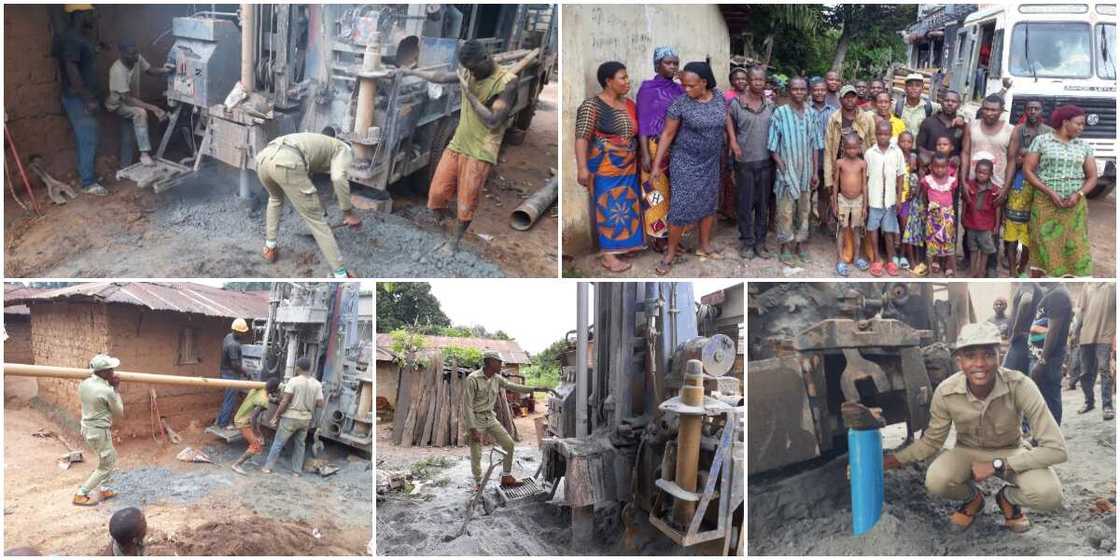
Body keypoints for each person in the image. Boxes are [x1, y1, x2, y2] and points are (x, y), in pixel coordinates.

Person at [847, 322, 1067, 533]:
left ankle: (1007, 499)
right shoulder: (946, 392)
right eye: (970, 356)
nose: (980, 364)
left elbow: (1056, 450)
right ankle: (973, 499)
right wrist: (891, 461)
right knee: (937, 481)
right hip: (967, 452)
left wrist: (997, 465)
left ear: (1000, 356)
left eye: (989, 354)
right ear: (959, 360)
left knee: (1049, 494)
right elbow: (932, 442)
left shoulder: (1020, 385)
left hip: (1010, 450)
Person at [402, 40, 520, 252]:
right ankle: (445, 225)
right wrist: (411, 72)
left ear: (486, 58)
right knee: (437, 194)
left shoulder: (507, 82)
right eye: (468, 70)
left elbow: (493, 120)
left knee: (466, 202)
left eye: (474, 68)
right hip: (458, 144)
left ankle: (454, 242)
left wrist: (469, 94)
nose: (471, 74)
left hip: (481, 150)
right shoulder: (469, 73)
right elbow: (441, 77)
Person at [650, 61, 735, 275]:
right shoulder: (680, 104)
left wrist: (733, 141)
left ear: (704, 83)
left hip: (711, 161)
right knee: (680, 207)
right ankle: (670, 253)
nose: (686, 89)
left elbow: (726, 119)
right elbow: (667, 135)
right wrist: (656, 165)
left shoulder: (718, 98)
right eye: (684, 85)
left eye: (690, 85)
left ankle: (704, 246)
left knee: (708, 203)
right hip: (685, 161)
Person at [255, 132, 362, 278]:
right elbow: (338, 177)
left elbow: (306, 179)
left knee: (275, 199)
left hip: (263, 159)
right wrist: (348, 213)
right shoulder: (344, 150)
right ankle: (341, 275)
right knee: (317, 221)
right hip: (286, 162)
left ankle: (270, 248)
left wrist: (319, 205)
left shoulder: (322, 144)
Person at [575, 61, 645, 273]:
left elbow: (636, 134)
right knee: (608, 207)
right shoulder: (592, 105)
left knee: (628, 205)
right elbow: (581, 138)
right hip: (605, 167)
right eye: (622, 77)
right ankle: (608, 256)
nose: (627, 81)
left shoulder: (630, 105)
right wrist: (582, 168)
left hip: (629, 166)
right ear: (608, 81)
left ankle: (625, 246)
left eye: (627, 77)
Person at [1022, 105, 1097, 277]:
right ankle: (1043, 283)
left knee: (1076, 246)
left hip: (1074, 207)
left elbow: (1092, 177)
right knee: (1046, 245)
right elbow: (1028, 170)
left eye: (1083, 124)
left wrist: (1079, 194)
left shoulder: (1084, 146)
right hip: (1045, 205)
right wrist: (1050, 192)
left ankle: (1073, 281)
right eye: (1078, 124)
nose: (1081, 128)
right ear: (1065, 122)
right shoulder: (1042, 141)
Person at [464, 351, 556, 490]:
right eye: (499, 362)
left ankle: (506, 476)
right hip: (476, 420)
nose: (502, 364)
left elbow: (514, 387)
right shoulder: (473, 379)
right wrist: (472, 429)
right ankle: (478, 483)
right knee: (476, 452)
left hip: (490, 417)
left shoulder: (496, 378)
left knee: (509, 444)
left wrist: (536, 388)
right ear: (490, 362)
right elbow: (468, 406)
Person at [767, 77, 820, 265]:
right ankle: (784, 246)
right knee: (785, 211)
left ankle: (800, 244)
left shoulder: (812, 114)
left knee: (803, 211)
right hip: (786, 173)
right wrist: (783, 169)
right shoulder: (779, 114)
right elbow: (772, 147)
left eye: (802, 89)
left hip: (806, 173)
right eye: (795, 89)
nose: (799, 92)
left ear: (807, 91)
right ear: (789, 91)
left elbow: (815, 145)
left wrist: (814, 172)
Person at [54, 5, 106, 196]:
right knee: (88, 139)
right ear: (81, 14)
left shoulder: (78, 38)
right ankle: (87, 182)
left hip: (81, 98)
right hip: (78, 99)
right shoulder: (72, 39)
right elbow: (72, 70)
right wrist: (87, 99)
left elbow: (82, 60)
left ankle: (88, 175)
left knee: (88, 138)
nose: (94, 17)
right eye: (92, 13)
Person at [636, 47, 684, 252]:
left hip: (678, 147)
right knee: (655, 193)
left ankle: (673, 237)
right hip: (655, 148)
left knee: (675, 194)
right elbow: (643, 121)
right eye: (668, 63)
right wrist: (645, 152)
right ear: (657, 65)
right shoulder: (648, 89)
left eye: (675, 63)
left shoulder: (680, 90)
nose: (673, 66)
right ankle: (658, 238)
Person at [1005, 284, 1073, 425]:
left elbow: (1053, 330)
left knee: (1048, 397)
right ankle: (1039, 437)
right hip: (1039, 356)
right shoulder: (1053, 293)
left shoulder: (1058, 295)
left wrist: (1042, 361)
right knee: (1041, 396)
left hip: (1047, 358)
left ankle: (1051, 439)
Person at [999, 101, 1052, 278]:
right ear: (1025, 111)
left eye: (1036, 109)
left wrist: (1028, 157)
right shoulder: (1018, 130)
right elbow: (1012, 159)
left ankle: (1023, 266)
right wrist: (1006, 187)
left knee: (1033, 228)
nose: (1033, 112)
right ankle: (1013, 268)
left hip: (1039, 186)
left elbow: (1048, 160)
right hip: (1019, 184)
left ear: (1041, 111)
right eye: (1030, 108)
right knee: (1012, 226)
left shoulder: (1048, 132)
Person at [727, 66, 775, 260]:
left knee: (763, 205)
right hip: (744, 162)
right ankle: (747, 242)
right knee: (745, 205)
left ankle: (761, 242)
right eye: (754, 79)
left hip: (765, 162)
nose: (757, 83)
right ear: (748, 80)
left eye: (761, 80)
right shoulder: (737, 104)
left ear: (765, 82)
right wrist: (732, 140)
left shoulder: (770, 105)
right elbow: (728, 120)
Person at [963, 94, 1013, 276]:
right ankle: (971, 265)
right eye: (986, 108)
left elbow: (1013, 159)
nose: (990, 113)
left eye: (994, 109)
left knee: (993, 229)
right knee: (970, 226)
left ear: (1001, 111)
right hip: (973, 185)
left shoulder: (1010, 130)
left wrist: (1006, 188)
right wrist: (963, 181)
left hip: (997, 187)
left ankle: (990, 266)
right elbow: (966, 152)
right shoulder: (972, 126)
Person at [106, 40, 172, 168]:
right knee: (140, 113)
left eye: (136, 52)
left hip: (133, 100)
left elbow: (150, 70)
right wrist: (153, 108)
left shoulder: (136, 58)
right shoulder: (117, 71)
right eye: (132, 54)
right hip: (118, 104)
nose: (136, 56)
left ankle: (125, 166)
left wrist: (165, 70)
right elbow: (127, 100)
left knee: (128, 136)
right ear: (122, 54)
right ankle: (144, 154)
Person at [74, 354, 125, 506]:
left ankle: (105, 489)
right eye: (110, 370)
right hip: (99, 432)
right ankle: (81, 493)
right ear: (102, 373)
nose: (113, 372)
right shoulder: (106, 390)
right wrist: (115, 388)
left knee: (111, 457)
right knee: (106, 465)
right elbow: (119, 413)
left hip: (88, 429)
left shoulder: (84, 384)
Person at [263, 357, 324, 475]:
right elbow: (321, 403)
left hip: (290, 417)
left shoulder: (293, 381)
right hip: (305, 419)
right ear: (309, 368)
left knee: (278, 442)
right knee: (300, 445)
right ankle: (296, 471)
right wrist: (309, 401)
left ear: (298, 368)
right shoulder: (317, 384)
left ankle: (267, 467)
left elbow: (285, 401)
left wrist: (276, 416)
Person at [823, 85, 876, 215]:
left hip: (862, 167)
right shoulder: (834, 119)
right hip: (841, 168)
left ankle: (859, 229)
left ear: (857, 99)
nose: (850, 100)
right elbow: (828, 149)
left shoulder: (866, 118)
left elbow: (873, 142)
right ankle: (842, 229)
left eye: (852, 97)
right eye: (846, 97)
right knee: (841, 202)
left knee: (862, 200)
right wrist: (828, 178)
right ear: (840, 100)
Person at [863, 120, 905, 277]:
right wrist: (865, 202)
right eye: (880, 134)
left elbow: (900, 176)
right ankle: (876, 259)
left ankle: (891, 261)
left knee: (889, 231)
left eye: (886, 134)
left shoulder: (897, 152)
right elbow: (865, 179)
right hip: (874, 200)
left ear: (891, 134)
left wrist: (899, 198)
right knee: (873, 229)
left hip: (890, 201)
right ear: (875, 135)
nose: (883, 137)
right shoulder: (869, 153)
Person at [1073, 283, 1115, 419]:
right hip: (1086, 334)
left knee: (1104, 370)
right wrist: (1075, 332)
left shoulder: (1113, 285)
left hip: (1105, 335)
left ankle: (1107, 406)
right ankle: (1089, 402)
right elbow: (1081, 311)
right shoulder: (1086, 286)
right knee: (1085, 372)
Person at [230, 376, 282, 475]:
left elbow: (266, 398)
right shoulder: (263, 400)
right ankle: (237, 465)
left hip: (242, 418)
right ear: (274, 390)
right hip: (243, 422)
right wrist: (257, 433)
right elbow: (254, 417)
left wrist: (274, 400)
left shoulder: (260, 389)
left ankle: (248, 458)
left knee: (256, 441)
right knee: (257, 445)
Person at [832, 135, 867, 277]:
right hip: (843, 200)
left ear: (859, 148)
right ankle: (840, 260)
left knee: (857, 229)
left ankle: (857, 257)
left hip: (858, 200)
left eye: (855, 148)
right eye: (849, 148)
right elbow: (835, 184)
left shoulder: (862, 164)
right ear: (844, 148)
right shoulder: (840, 163)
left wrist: (865, 205)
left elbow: (864, 185)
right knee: (842, 229)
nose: (852, 151)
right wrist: (834, 202)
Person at [922, 154, 959, 276]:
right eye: (936, 167)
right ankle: (931, 273)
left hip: (947, 218)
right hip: (933, 219)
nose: (939, 169)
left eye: (943, 167)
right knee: (931, 245)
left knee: (949, 244)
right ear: (931, 167)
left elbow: (952, 196)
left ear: (947, 167)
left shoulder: (951, 181)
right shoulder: (927, 180)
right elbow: (924, 196)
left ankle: (955, 271)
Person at [962, 158, 1000, 277]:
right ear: (975, 171)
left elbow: (998, 208)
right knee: (973, 248)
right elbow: (964, 202)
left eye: (984, 173)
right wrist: (963, 216)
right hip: (971, 223)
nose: (981, 175)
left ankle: (982, 271)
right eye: (979, 172)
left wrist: (997, 225)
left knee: (985, 250)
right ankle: (973, 270)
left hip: (986, 226)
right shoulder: (969, 186)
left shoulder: (994, 190)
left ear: (990, 174)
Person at [810, 78, 837, 233]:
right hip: (809, 159)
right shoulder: (807, 110)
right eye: (816, 90)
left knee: (824, 194)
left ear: (826, 92)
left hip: (827, 160)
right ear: (811, 91)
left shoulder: (833, 112)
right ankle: (805, 223)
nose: (819, 92)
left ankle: (823, 222)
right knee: (807, 192)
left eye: (822, 90)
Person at [897, 131, 925, 275]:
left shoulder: (914, 158)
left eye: (909, 142)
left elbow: (920, 176)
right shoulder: (895, 156)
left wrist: (916, 191)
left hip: (910, 199)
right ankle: (905, 257)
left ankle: (906, 257)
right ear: (898, 142)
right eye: (903, 141)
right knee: (902, 229)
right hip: (897, 197)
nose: (906, 144)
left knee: (907, 229)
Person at [917, 90, 967, 167]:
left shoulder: (962, 126)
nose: (950, 103)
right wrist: (930, 155)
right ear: (941, 102)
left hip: (953, 171)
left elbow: (965, 151)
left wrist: (958, 158)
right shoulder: (928, 122)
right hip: (930, 169)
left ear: (959, 105)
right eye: (947, 100)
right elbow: (919, 146)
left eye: (954, 101)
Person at [216, 318, 250, 429]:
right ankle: (224, 424)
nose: (245, 334)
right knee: (230, 400)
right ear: (238, 331)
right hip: (231, 375)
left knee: (227, 398)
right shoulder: (233, 345)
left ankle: (220, 421)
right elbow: (235, 365)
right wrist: (246, 373)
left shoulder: (228, 337)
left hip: (225, 372)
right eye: (243, 332)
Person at [895, 73, 939, 138]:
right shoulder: (897, 106)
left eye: (918, 85)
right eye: (910, 85)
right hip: (902, 147)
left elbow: (949, 108)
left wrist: (959, 117)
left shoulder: (930, 106)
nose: (914, 88)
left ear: (922, 88)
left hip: (921, 147)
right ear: (905, 88)